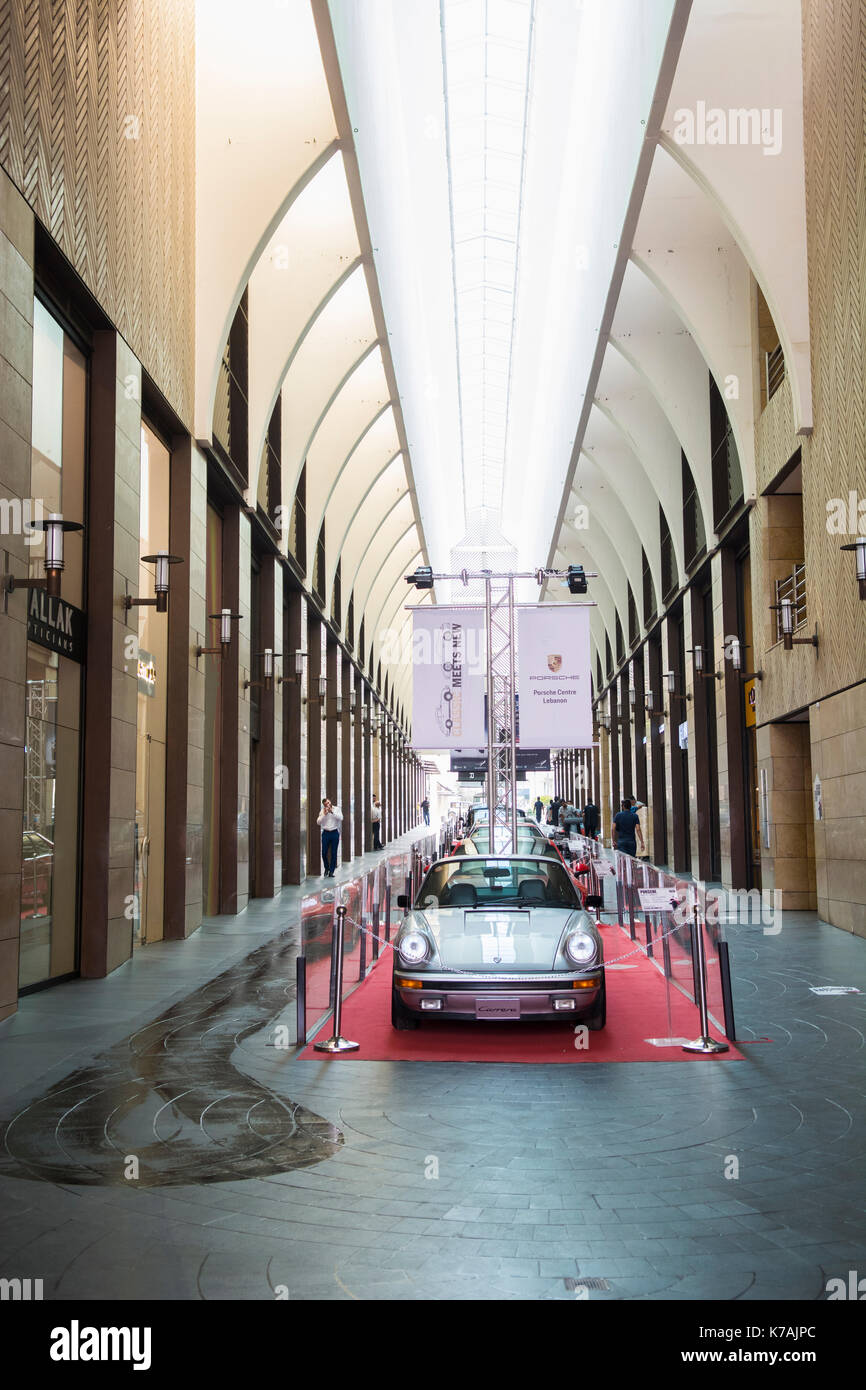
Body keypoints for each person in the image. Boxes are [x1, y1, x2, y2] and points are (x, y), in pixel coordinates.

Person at [317, 797, 343, 877]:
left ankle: (331, 871)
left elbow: (341, 818)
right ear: (324, 805)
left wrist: (332, 812)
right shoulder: (322, 811)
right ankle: (326, 868)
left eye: (328, 803)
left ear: (330, 802)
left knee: (334, 852)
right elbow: (318, 822)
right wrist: (324, 815)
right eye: (325, 804)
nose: (327, 805)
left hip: (334, 832)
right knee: (324, 852)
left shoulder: (337, 809)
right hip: (326, 833)